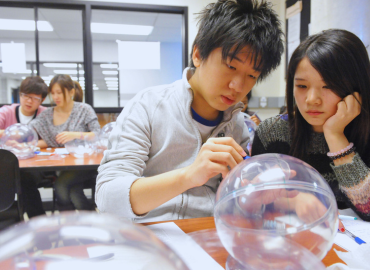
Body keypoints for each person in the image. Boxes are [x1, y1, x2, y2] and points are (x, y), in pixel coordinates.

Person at [96, 0, 284, 222]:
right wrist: (188, 176)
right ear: (198, 54)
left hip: (206, 237)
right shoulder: (148, 106)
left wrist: (256, 195)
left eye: (252, 75)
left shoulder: (238, 125)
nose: (238, 86)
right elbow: (108, 200)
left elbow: (234, 208)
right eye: (231, 66)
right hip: (148, 238)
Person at [252, 29, 370, 221]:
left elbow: (368, 209)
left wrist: (335, 136)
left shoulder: (365, 134)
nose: (311, 99)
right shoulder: (272, 133)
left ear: (356, 88)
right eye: (302, 86)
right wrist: (293, 200)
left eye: (328, 86)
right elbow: (254, 198)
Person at [30, 75, 101, 211]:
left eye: (59, 93)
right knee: (74, 191)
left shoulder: (84, 110)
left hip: (85, 163)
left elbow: (98, 135)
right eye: (53, 93)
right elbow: (36, 135)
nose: (56, 97)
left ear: (71, 92)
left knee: (61, 186)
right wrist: (24, 144)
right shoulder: (47, 115)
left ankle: (69, 222)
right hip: (61, 165)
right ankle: (88, 221)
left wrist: (76, 135)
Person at [0, 76, 48, 218]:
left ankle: (37, 220)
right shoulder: (6, 111)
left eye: (35, 98)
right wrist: (10, 136)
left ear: (42, 100)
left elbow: (49, 140)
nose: (29, 101)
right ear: (20, 94)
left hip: (35, 165)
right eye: (25, 96)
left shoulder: (45, 114)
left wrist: (24, 144)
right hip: (8, 165)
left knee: (24, 178)